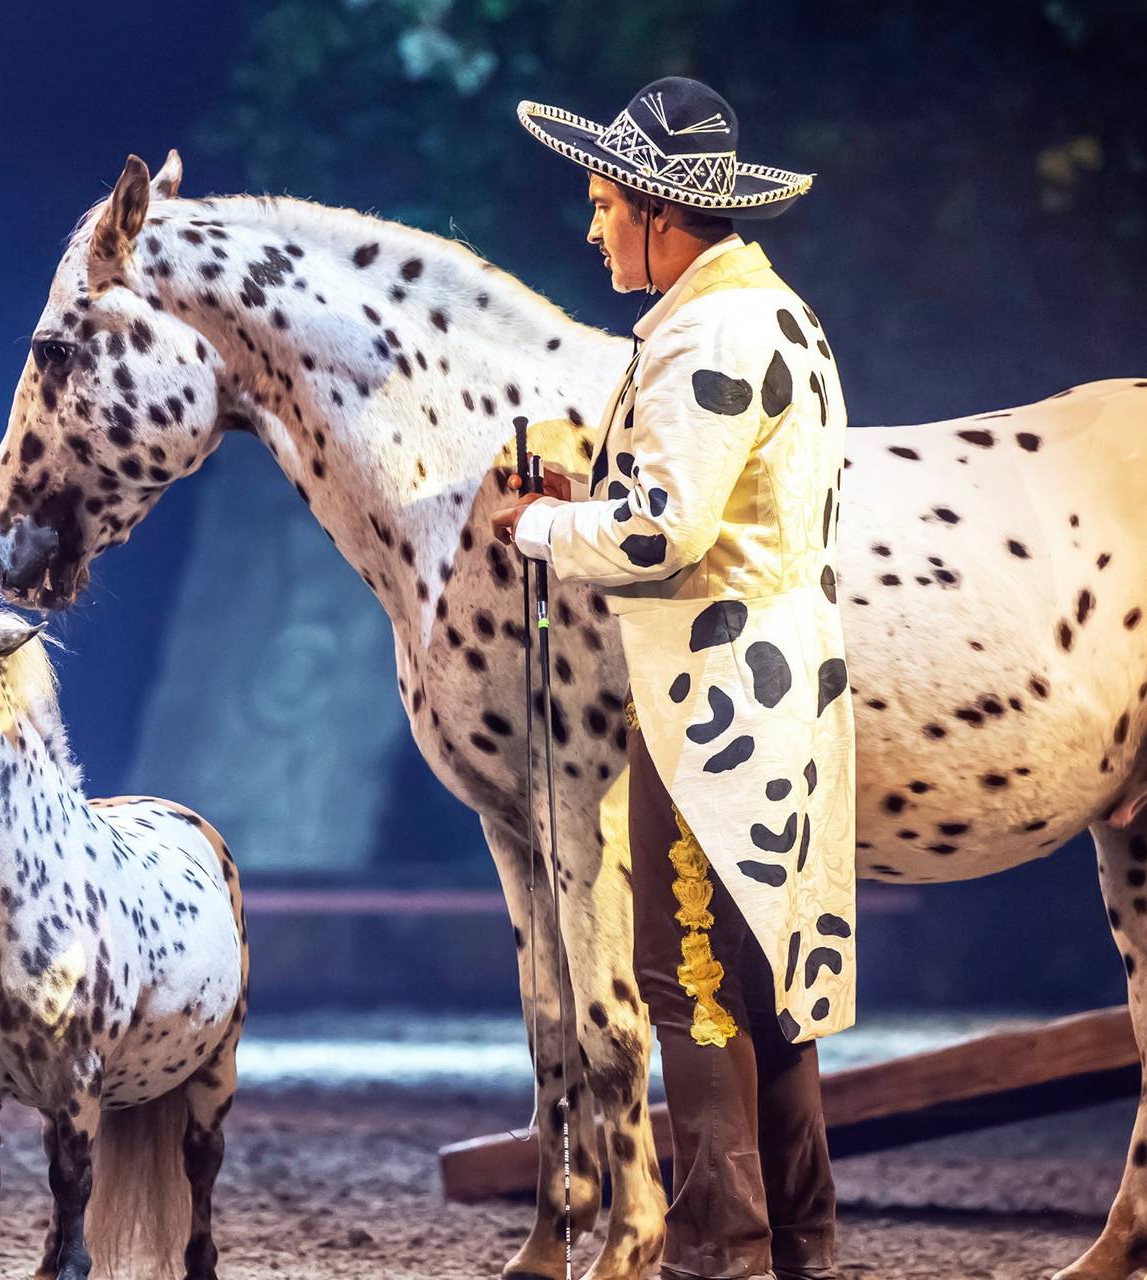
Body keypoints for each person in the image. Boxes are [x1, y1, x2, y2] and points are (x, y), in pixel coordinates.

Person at [495, 76, 856, 1280]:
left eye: (605, 204)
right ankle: (798, 1249)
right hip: (788, 678)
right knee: (771, 990)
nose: (593, 227)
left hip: (715, 706)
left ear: (660, 212)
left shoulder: (705, 331)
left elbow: (662, 537)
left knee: (687, 979)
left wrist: (541, 531)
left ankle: (723, 1259)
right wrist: (587, 499)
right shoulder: (782, 315)